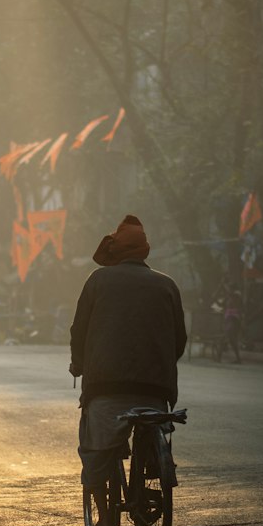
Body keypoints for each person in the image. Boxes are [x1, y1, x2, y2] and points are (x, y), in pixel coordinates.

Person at [69, 214, 187, 508]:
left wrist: (78, 364)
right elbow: (179, 340)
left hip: (106, 387)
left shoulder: (98, 280)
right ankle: (151, 463)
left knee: (95, 450)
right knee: (151, 426)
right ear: (144, 250)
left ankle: (104, 517)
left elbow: (79, 330)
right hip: (156, 390)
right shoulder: (167, 284)